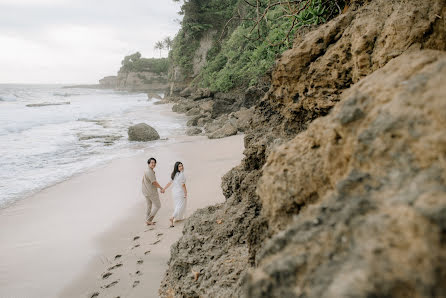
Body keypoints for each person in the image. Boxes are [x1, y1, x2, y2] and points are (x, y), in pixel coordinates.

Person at [163, 161, 187, 227]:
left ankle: (178, 218)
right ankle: (172, 217)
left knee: (177, 205)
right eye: (179, 166)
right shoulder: (182, 175)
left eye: (182, 165)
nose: (181, 167)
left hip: (174, 192)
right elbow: (183, 185)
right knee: (180, 206)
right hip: (180, 192)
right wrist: (186, 193)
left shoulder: (174, 174)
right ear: (176, 167)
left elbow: (169, 183)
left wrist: (164, 189)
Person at [142, 157, 164, 225]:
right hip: (151, 192)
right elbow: (154, 182)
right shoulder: (149, 172)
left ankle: (147, 219)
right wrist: (161, 188)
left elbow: (143, 180)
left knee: (149, 205)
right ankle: (148, 220)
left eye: (154, 163)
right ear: (148, 164)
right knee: (158, 206)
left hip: (145, 191)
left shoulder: (147, 171)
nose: (153, 164)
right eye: (151, 162)